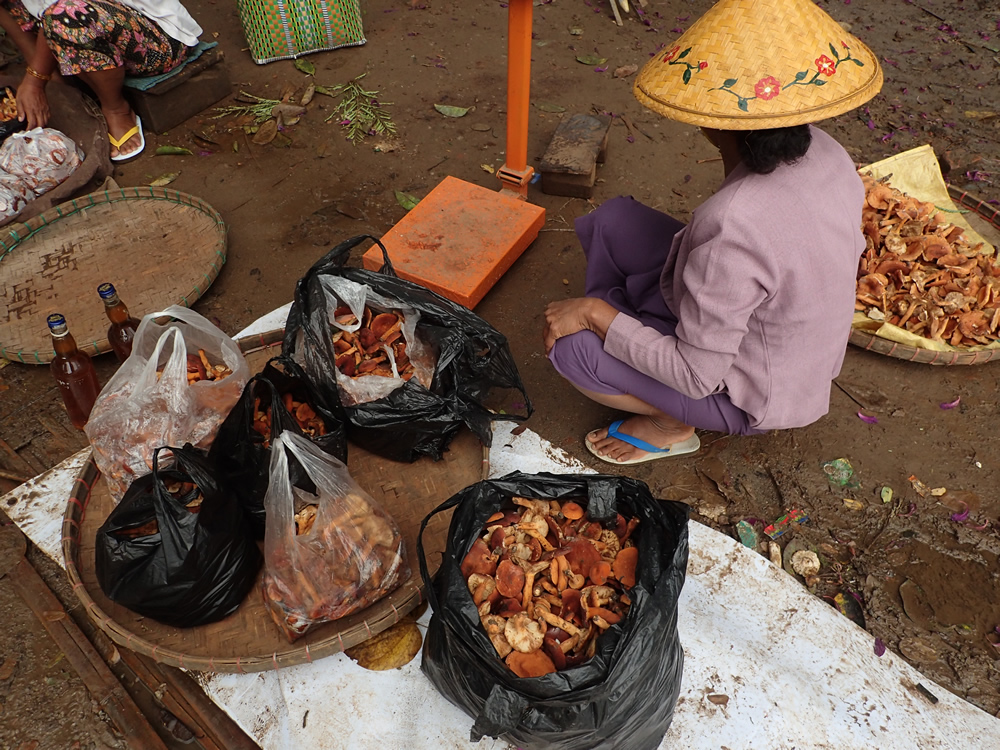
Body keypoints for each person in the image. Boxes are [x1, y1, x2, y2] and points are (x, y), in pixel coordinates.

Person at [542, 0, 883, 466]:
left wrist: (597, 314)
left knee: (572, 349)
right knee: (614, 221)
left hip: (757, 390)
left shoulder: (733, 222)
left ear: (710, 121)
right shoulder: (827, 150)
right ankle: (637, 337)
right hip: (786, 339)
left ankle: (672, 424)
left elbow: (697, 375)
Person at [0, 0, 202, 161]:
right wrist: (56, 91)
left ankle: (116, 108)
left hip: (157, 40)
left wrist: (34, 82)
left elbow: (60, 11)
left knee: (66, 13)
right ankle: (89, 85)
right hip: (88, 44)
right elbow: (29, 41)